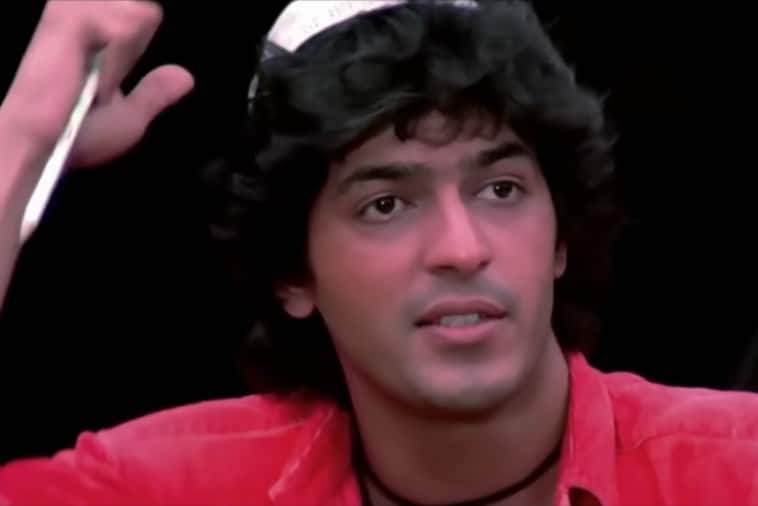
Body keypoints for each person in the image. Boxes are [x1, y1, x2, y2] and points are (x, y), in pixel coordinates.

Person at [1, 1, 757, 505]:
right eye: (386, 204)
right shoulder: (177, 485)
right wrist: (17, 144)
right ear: (293, 273)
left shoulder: (736, 465)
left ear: (561, 237)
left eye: (501, 189)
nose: (462, 249)